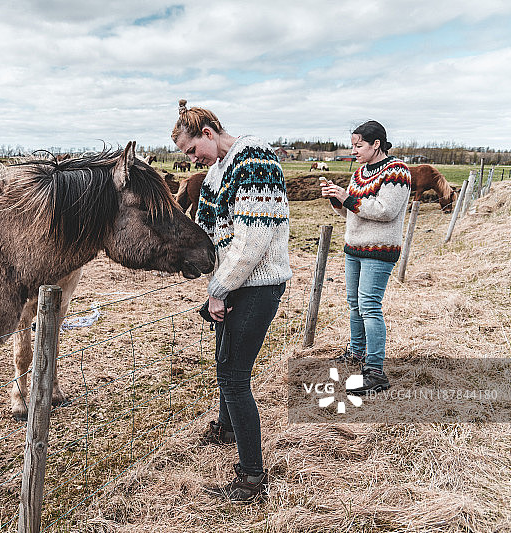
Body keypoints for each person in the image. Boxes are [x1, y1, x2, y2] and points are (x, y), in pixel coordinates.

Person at [172, 99, 292, 502]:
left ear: (208, 133)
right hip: (233, 282)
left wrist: (218, 290)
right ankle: (226, 428)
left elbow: (252, 241)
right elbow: (205, 232)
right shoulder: (214, 175)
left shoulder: (254, 159)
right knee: (225, 362)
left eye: (191, 151)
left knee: (233, 375)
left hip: (257, 284)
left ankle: (252, 477)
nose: (190, 160)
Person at [319, 120, 411, 395]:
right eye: (353, 145)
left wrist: (348, 198)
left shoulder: (397, 171)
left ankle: (375, 371)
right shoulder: (359, 174)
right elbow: (352, 212)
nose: (354, 150)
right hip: (354, 248)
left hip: (379, 250)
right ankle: (357, 353)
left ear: (376, 144)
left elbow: (386, 210)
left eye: (359, 145)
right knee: (354, 304)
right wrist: (338, 199)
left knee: (369, 305)